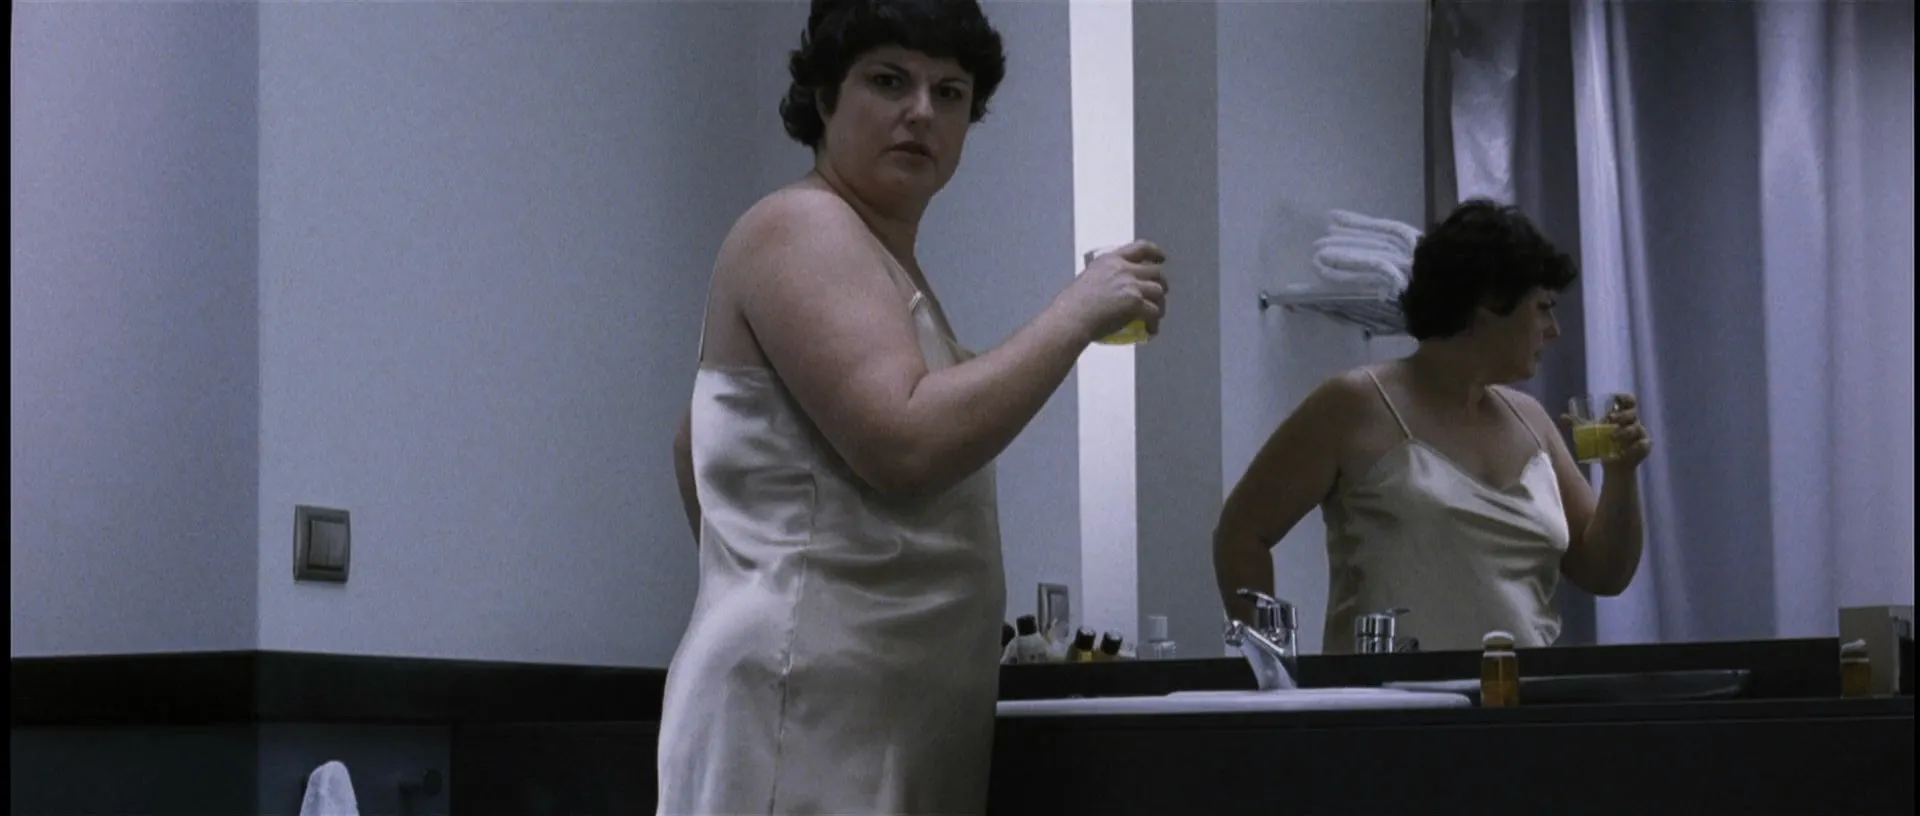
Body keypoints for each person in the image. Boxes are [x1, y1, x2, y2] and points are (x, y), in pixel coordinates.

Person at [657, 1, 1169, 813]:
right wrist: (1075, 314)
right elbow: (905, 443)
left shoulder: (879, 257)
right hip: (810, 709)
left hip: (868, 707)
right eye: (890, 81)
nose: (922, 112)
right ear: (826, 96)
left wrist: (768, 573)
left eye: (950, 92)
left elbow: (695, 443)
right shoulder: (803, 224)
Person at [1213, 199, 1648, 654]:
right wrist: (1274, 668)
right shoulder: (1353, 404)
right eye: (1543, 307)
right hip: (1386, 697)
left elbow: (1604, 573)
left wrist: (1621, 474)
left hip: (1517, 694)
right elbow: (1241, 533)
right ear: (1490, 302)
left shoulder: (1532, 419)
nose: (1553, 329)